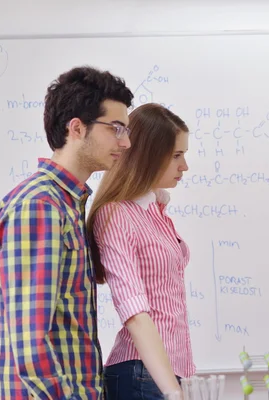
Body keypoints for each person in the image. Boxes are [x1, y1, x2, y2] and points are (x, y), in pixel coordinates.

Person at [0, 66, 133, 399]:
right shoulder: (39, 204)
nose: (125, 142)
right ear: (76, 128)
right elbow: (29, 344)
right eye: (116, 129)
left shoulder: (69, 203)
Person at [87, 103, 195, 399]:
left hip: (165, 371)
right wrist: (173, 392)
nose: (184, 166)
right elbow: (134, 311)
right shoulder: (116, 215)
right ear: (147, 155)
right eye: (176, 156)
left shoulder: (156, 211)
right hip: (141, 374)